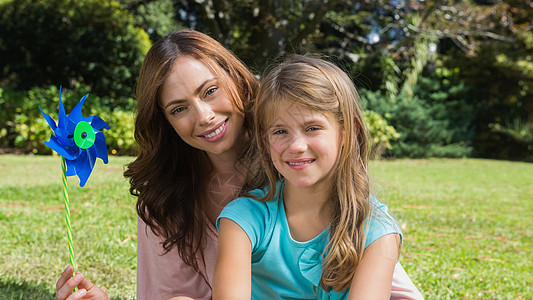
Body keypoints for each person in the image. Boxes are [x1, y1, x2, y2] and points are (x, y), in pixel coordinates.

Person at [55, 31, 422, 300]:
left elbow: (377, 267)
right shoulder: (181, 201)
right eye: (178, 108)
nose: (204, 117)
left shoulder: (298, 164)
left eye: (210, 90)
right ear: (164, 122)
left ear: (235, 78)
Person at [213, 55, 423, 299]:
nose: (296, 146)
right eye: (280, 131)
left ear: (348, 132)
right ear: (264, 139)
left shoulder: (377, 232)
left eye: (312, 128)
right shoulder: (243, 220)